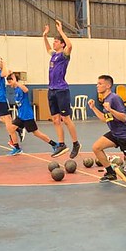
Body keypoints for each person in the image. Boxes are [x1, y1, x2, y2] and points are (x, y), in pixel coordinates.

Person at [87, 75, 126, 183]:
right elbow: (105, 119)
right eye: (97, 84)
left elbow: (124, 118)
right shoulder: (106, 99)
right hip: (115, 134)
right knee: (96, 147)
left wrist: (110, 109)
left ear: (108, 85)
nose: (97, 86)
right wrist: (93, 108)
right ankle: (110, 173)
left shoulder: (114, 98)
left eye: (100, 84)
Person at [42, 20, 81, 158]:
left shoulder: (65, 55)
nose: (54, 43)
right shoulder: (54, 55)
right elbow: (47, 49)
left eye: (56, 41)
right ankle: (61, 144)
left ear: (62, 44)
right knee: (55, 119)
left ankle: (76, 143)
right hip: (51, 90)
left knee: (66, 118)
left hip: (61, 90)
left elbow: (70, 45)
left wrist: (60, 31)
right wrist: (45, 36)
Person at [4, 73, 62, 156]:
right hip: (21, 116)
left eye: (10, 82)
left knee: (36, 133)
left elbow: (26, 90)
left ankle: (54, 144)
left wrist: (16, 82)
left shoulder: (21, 88)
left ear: (15, 81)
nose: (9, 84)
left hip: (27, 116)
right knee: (11, 129)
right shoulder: (16, 90)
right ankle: (17, 148)